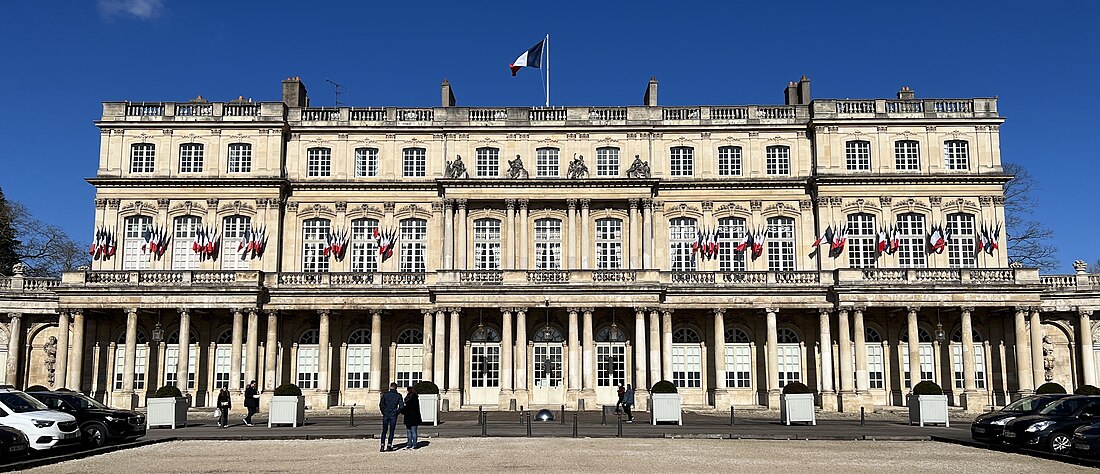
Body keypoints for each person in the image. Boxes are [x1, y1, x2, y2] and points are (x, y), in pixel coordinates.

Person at [379, 382, 404, 452]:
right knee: (391, 431)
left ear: (390, 387)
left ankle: (382, 445)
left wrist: (383, 412)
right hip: (393, 414)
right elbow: (401, 406)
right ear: (396, 388)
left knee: (384, 430)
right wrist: (397, 412)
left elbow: (381, 405)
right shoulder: (398, 395)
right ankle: (389, 445)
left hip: (386, 414)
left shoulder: (385, 395)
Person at [402, 386, 422, 450]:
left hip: (409, 416)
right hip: (414, 416)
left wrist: (402, 410)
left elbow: (407, 407)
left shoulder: (409, 398)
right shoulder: (415, 397)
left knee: (409, 431)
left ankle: (410, 444)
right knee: (413, 431)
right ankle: (414, 444)